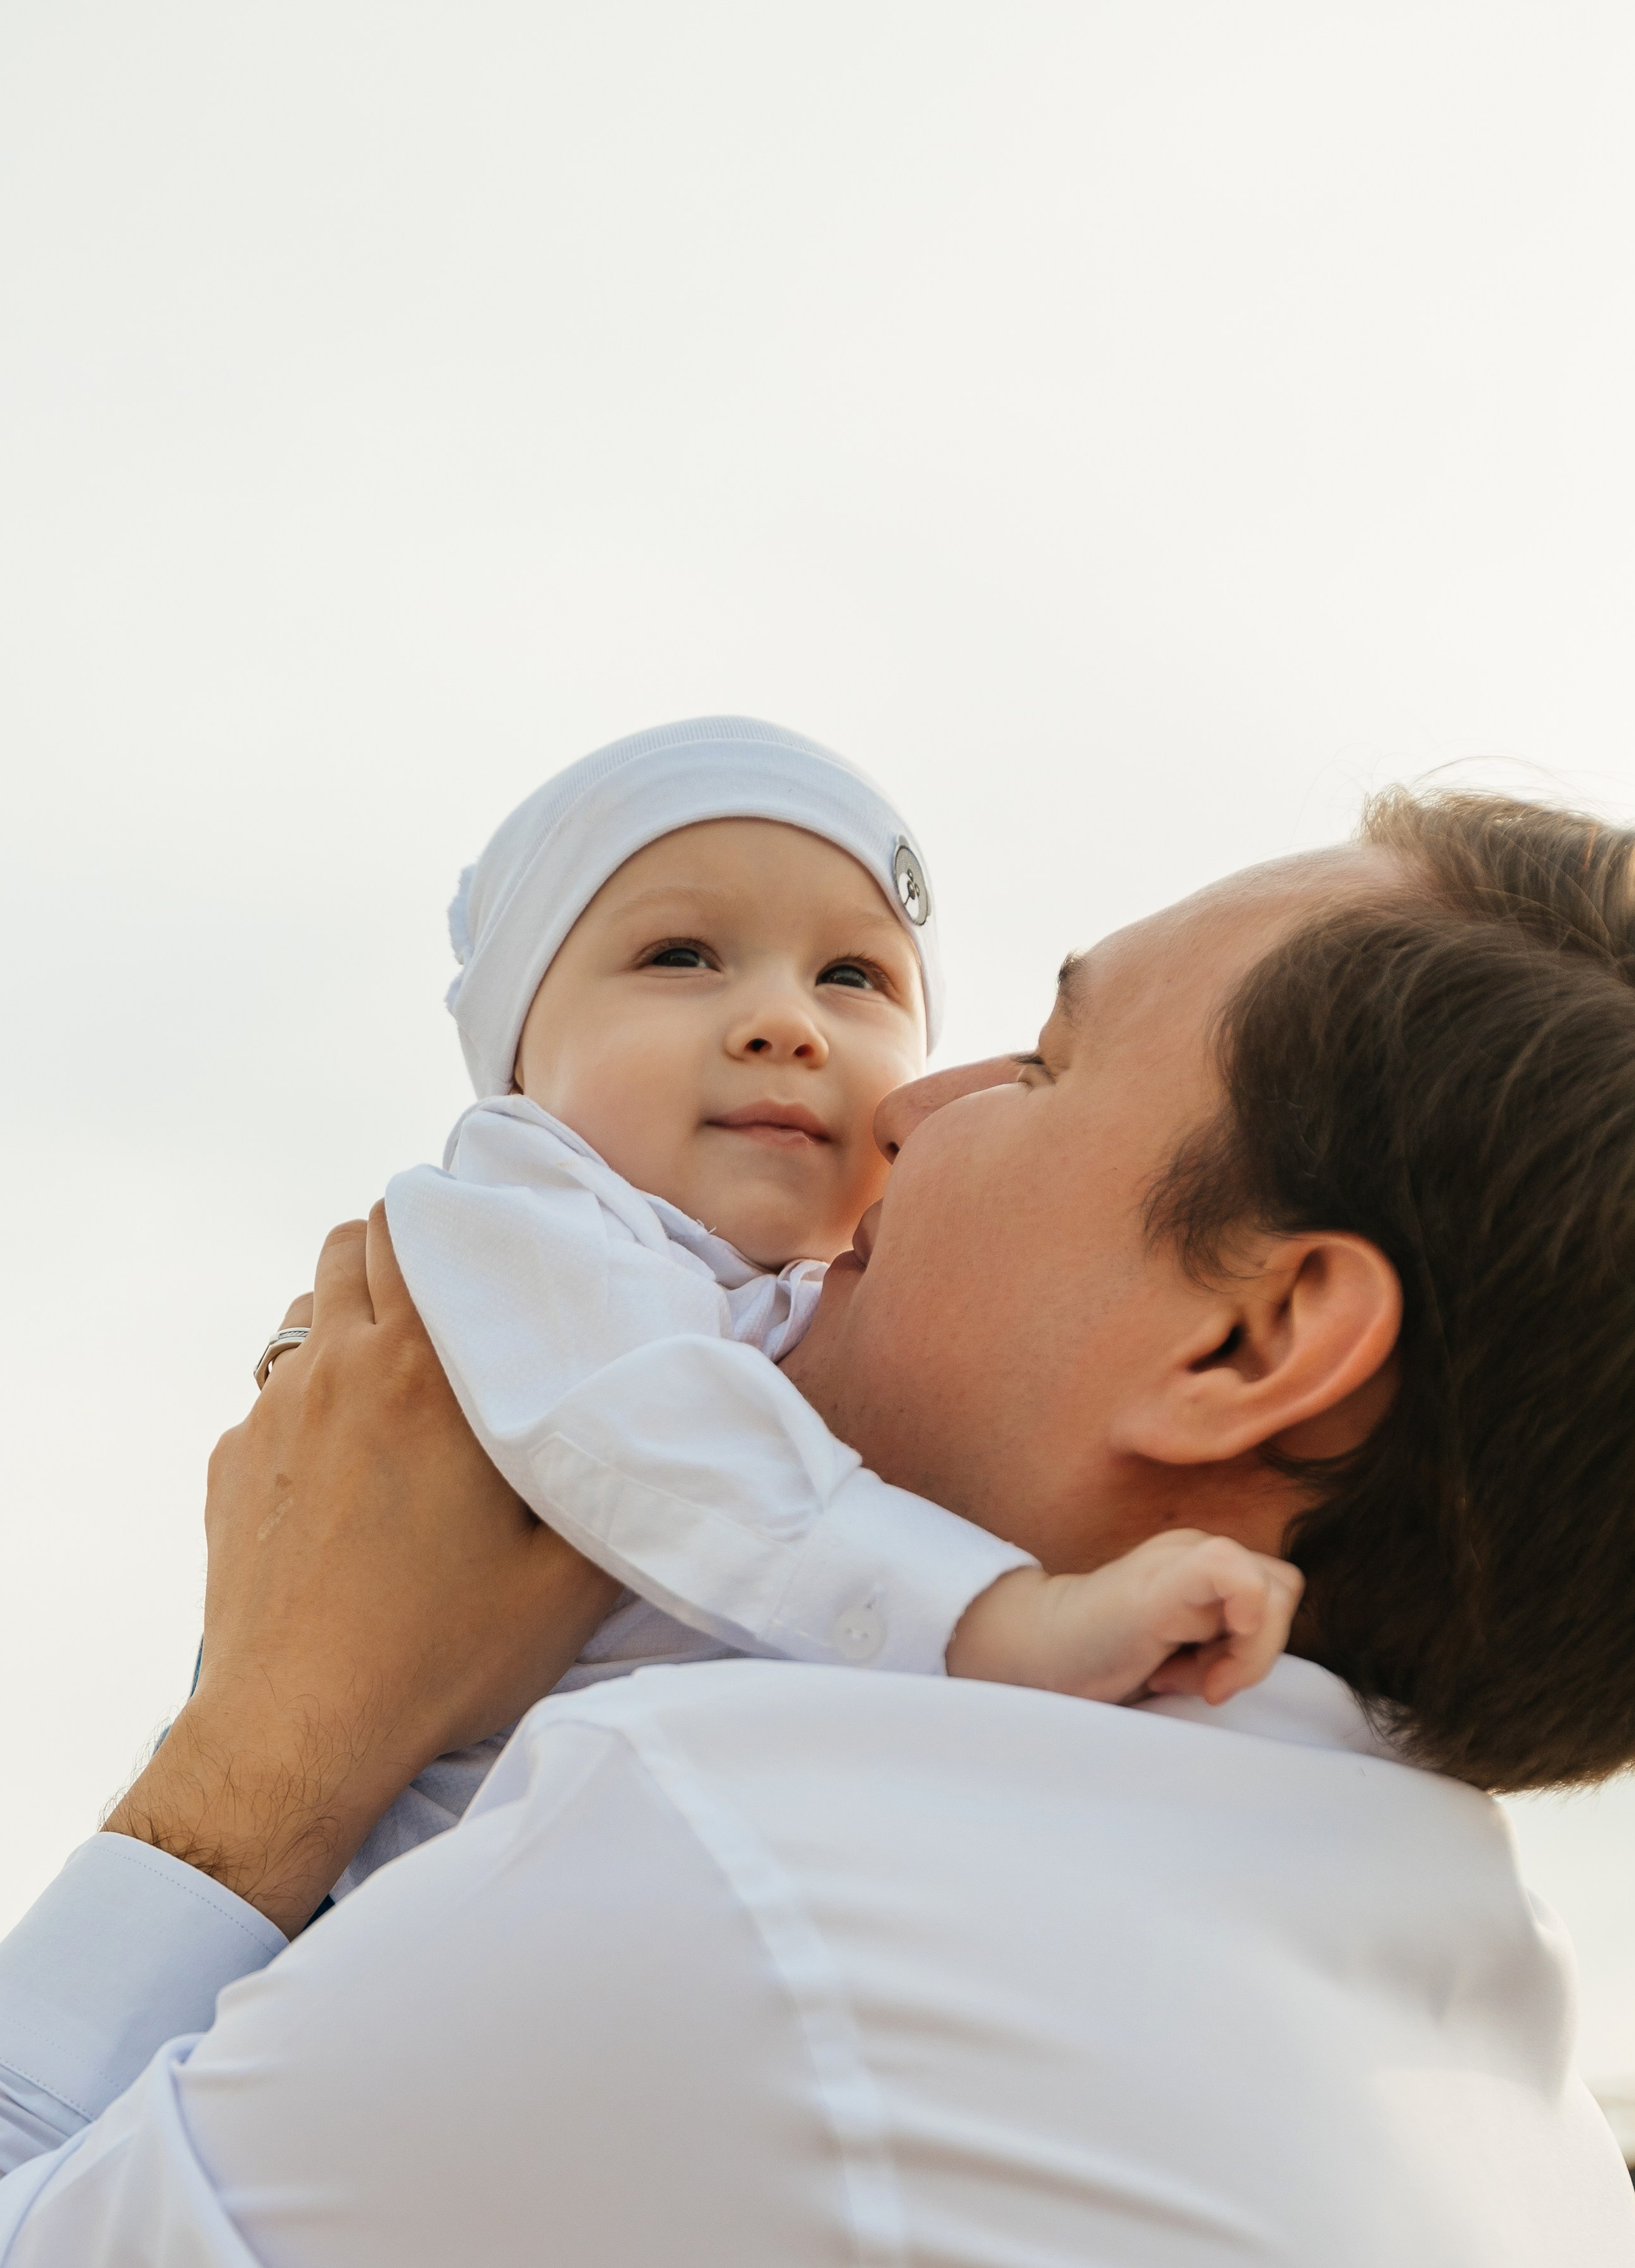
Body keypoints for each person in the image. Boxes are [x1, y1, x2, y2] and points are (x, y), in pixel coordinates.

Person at [0, 790, 1635, 2268]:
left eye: (1046, 1065)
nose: (899, 1103)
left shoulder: (746, 1894)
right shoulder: (1498, 2085)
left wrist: (259, 1757)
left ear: (1253, 1342)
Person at [338, 715, 1298, 1891]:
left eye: (852, 977)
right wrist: (1002, 1621)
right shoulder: (521, 1215)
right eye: (682, 957)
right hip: (423, 1882)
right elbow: (656, 1437)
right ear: (522, 1053)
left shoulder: (841, 1302)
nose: (783, 1024)